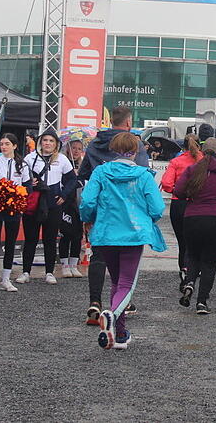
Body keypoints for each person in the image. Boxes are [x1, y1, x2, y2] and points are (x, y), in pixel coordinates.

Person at [80, 132, 165, 350]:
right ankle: (113, 314)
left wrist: (88, 219)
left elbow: (88, 201)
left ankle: (119, 333)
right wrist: (147, 219)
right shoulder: (144, 175)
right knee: (126, 283)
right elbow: (157, 208)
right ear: (135, 151)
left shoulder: (100, 172)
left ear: (113, 150)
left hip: (106, 233)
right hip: (133, 233)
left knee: (117, 281)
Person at [78, 105, 149, 325]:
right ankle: (120, 305)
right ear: (128, 123)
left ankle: (95, 302)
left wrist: (86, 215)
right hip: (128, 212)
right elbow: (142, 174)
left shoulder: (95, 144)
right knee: (126, 260)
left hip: (101, 208)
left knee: (98, 255)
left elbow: (83, 176)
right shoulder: (134, 144)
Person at [173, 138, 216, 314]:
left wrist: (192, 196)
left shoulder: (192, 169)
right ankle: (202, 302)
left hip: (192, 218)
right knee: (210, 262)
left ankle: (189, 283)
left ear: (202, 151)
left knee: (193, 255)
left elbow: (178, 191)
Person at [19, 130, 76, 285]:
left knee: (50, 239)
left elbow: (72, 180)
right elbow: (21, 178)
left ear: (56, 144)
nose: (48, 143)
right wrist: (29, 183)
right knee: (30, 239)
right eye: (45, 140)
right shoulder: (30, 158)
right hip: (34, 202)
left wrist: (64, 195)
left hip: (53, 202)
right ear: (40, 142)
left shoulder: (62, 159)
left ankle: (50, 272)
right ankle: (26, 272)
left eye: (51, 141)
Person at [0, 133, 29, 293]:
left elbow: (27, 186)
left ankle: (6, 279)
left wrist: (17, 195)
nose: (4, 147)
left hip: (14, 208)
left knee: (10, 243)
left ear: (15, 146)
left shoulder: (22, 165)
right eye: (2, 144)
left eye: (7, 144)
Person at [160, 134, 202, 291]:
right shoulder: (204, 161)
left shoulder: (176, 162)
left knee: (182, 241)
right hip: (198, 203)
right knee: (197, 241)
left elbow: (166, 183)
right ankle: (194, 270)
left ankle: (184, 268)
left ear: (182, 147)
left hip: (179, 203)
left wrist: (176, 191)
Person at [58, 139, 85, 277]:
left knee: (77, 235)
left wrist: (78, 177)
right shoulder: (63, 162)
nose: (76, 151)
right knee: (66, 234)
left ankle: (74, 264)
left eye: (79, 148)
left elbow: (85, 181)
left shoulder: (83, 165)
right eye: (73, 148)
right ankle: (64, 265)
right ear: (68, 149)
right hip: (66, 203)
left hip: (79, 204)